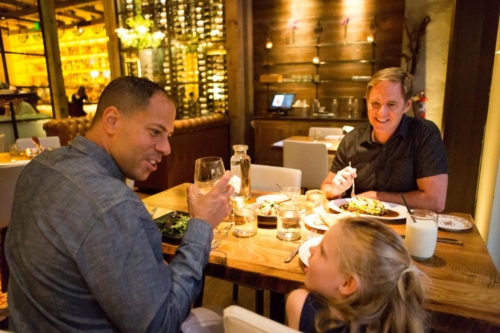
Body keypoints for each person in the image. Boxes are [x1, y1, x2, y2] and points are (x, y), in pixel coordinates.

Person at [6, 76, 234, 332]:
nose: (167, 148)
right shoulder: (114, 205)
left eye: (168, 135)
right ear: (112, 120)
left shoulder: (39, 167)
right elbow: (162, 324)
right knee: (224, 317)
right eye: (155, 132)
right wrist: (201, 224)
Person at [321, 67, 448, 212]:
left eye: (391, 104)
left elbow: (435, 201)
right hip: (357, 225)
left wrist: (375, 197)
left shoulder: (424, 134)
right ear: (367, 100)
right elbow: (326, 187)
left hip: (406, 228)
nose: (381, 112)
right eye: (375, 103)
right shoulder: (352, 139)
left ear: (407, 105)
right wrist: (336, 190)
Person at [286, 217, 428, 333]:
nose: (311, 249)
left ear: (348, 283)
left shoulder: (299, 303)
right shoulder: (394, 323)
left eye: (322, 251)